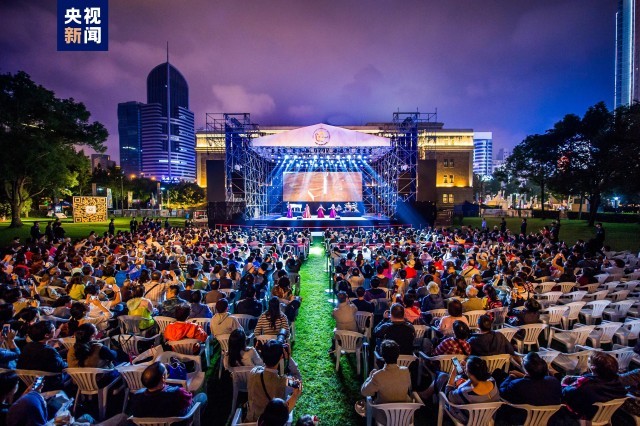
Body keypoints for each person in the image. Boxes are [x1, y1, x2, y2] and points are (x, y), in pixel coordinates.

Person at [246, 339, 302, 422]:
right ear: (281, 357)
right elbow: (299, 381)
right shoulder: (284, 382)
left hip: (253, 420)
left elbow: (262, 368)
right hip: (274, 421)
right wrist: (289, 357)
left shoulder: (253, 372)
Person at [499, 352, 562, 425]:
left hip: (523, 420)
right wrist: (523, 376)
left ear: (526, 369)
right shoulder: (554, 381)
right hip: (548, 419)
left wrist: (511, 376)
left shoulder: (517, 384)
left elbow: (502, 391)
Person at [562, 351, 627, 420]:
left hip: (583, 417)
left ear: (593, 368)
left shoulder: (586, 385)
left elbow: (566, 393)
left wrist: (563, 383)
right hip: (603, 416)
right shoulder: (618, 383)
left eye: (589, 361)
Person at [128, 361, 207, 419]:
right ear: (163, 378)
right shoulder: (177, 393)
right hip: (178, 422)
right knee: (202, 396)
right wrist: (189, 393)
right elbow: (189, 400)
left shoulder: (137, 396)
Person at [361, 340, 412, 424]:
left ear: (383, 356)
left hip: (385, 417)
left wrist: (370, 377)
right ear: (398, 355)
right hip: (404, 415)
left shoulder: (378, 375)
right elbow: (408, 385)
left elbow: (364, 392)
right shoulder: (405, 371)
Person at [444, 356, 500, 423]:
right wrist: (469, 365)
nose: (465, 369)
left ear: (470, 373)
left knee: (443, 381)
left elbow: (448, 394)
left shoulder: (465, 393)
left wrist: (453, 372)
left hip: (469, 420)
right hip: (488, 417)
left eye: (466, 368)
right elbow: (476, 379)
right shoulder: (492, 381)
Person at [17, 321, 67, 391]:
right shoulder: (50, 351)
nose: (55, 329)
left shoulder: (27, 347)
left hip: (28, 382)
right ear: (46, 335)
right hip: (47, 383)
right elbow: (62, 367)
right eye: (53, 329)